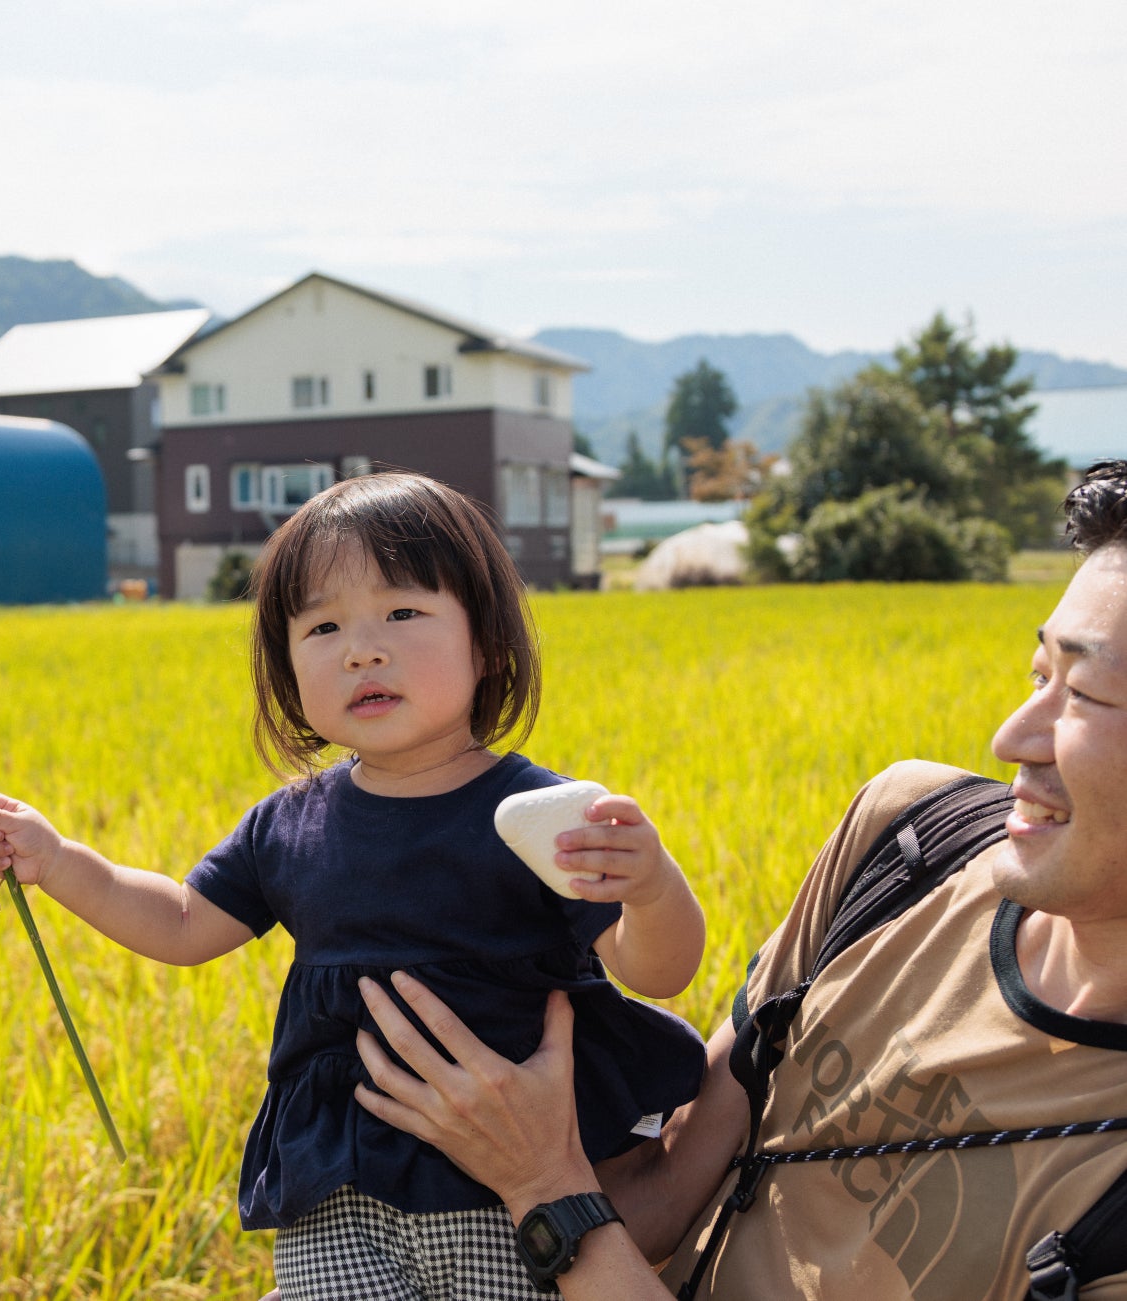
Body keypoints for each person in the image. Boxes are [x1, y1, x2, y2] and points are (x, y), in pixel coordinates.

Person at [351, 460, 1127, 1300]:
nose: (1014, 736)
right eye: (1039, 673)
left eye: (1084, 693)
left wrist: (543, 1187)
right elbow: (665, 1191)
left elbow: (566, 1201)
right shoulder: (910, 840)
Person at [0, 472, 709, 1300]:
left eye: (401, 612)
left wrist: (650, 887)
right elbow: (180, 922)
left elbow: (659, 968)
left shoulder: (533, 814)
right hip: (337, 1196)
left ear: (488, 643)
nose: (362, 648)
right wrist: (61, 860)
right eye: (322, 625)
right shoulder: (289, 824)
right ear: (288, 671)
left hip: (505, 1189)